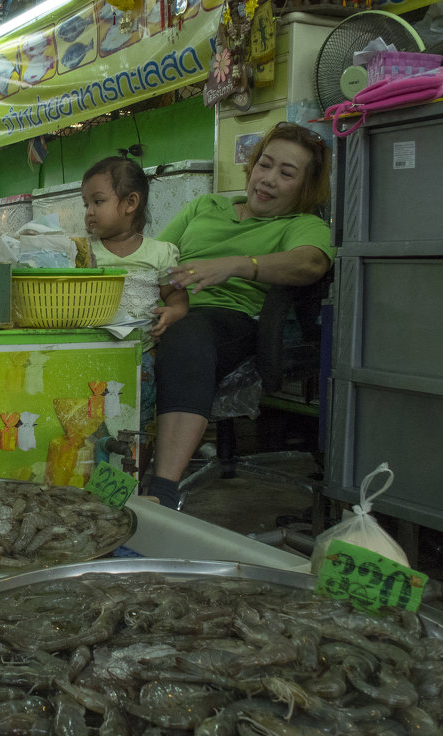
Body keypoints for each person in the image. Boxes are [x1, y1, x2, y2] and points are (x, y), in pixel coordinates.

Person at [143, 121, 336, 508]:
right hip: (168, 308)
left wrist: (237, 265)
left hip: (228, 321)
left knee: (189, 334)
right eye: (265, 165)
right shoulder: (206, 205)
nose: (268, 179)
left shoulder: (303, 225)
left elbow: (310, 264)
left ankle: (161, 492)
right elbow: (156, 257)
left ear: (305, 187)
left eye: (286, 173)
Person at [81, 155, 187, 433]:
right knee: (91, 423)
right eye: (86, 204)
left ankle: (136, 473)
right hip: (90, 355)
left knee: (136, 422)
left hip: (141, 357)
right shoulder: (83, 251)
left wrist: (174, 312)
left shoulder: (159, 253)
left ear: (130, 203)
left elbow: (176, 298)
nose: (89, 211)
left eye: (98, 201)